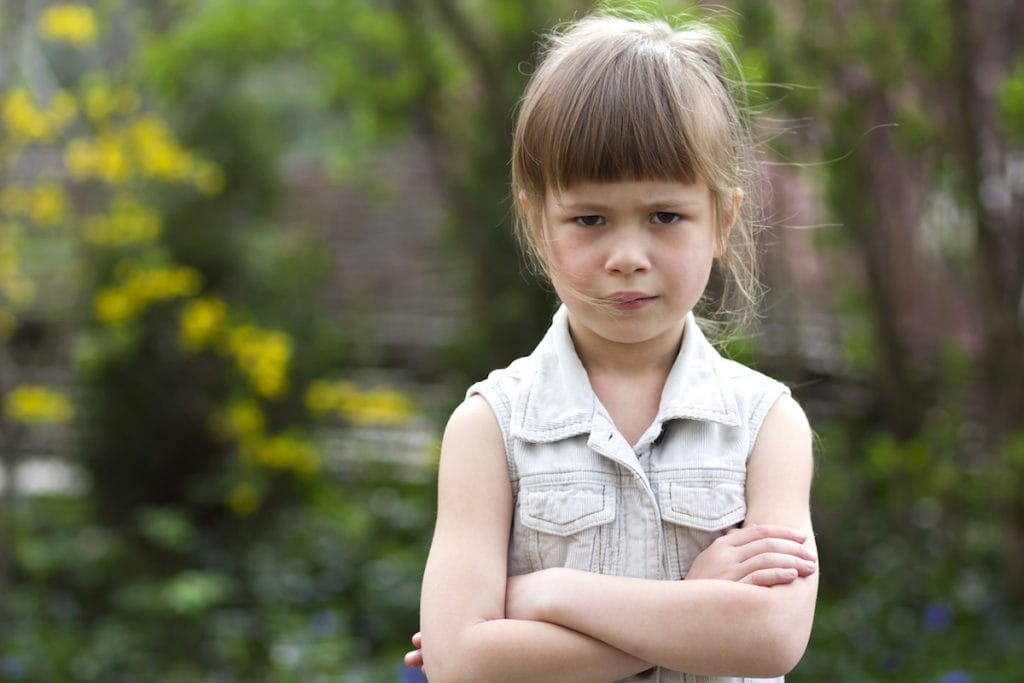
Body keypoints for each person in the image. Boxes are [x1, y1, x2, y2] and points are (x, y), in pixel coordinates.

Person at [404, 9, 818, 682]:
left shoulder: (766, 424)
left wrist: (549, 595)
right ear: (539, 224)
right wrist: (693, 608)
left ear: (722, 220)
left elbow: (771, 633)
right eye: (590, 219)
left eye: (665, 216)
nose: (628, 255)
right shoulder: (489, 428)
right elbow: (460, 660)